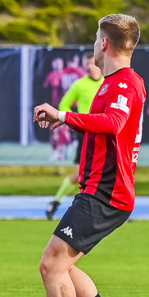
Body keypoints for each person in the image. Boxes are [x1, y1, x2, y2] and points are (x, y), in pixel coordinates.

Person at [31, 14, 145, 297]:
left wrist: (64, 116)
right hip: (100, 190)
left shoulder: (123, 83)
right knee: (61, 266)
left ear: (104, 43)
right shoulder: (115, 83)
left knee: (51, 265)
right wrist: (64, 119)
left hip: (106, 193)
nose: (94, 44)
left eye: (96, 38)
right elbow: (105, 129)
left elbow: (114, 124)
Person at [46, 53, 103, 220]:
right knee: (79, 174)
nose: (89, 67)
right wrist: (76, 123)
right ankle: (55, 202)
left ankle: (115, 210)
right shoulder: (79, 84)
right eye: (86, 64)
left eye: (92, 63)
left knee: (108, 173)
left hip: (104, 135)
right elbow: (64, 104)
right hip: (86, 135)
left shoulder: (107, 84)